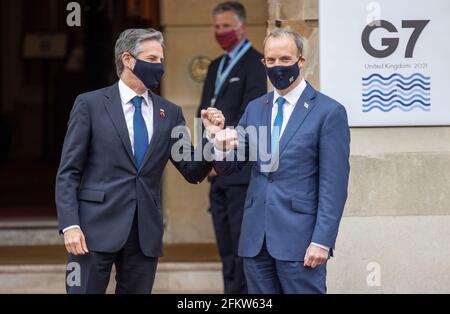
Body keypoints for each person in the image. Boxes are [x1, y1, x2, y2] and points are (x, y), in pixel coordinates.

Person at [56, 28, 224, 294]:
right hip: (93, 231)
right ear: (127, 59)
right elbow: (69, 172)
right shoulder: (90, 104)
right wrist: (70, 225)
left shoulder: (169, 113)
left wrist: (211, 140)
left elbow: (192, 171)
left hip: (144, 233)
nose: (159, 66)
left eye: (161, 60)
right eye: (153, 59)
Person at [210, 28, 350, 294]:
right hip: (255, 240)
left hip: (301, 241)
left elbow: (334, 186)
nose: (277, 67)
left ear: (301, 61)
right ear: (263, 63)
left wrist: (322, 241)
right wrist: (219, 144)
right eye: (271, 61)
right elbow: (231, 166)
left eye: (285, 59)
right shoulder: (255, 108)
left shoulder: (329, 112)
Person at [197, 1, 267, 294]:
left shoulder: (256, 63)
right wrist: (208, 162)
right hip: (216, 174)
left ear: (241, 27)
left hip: (241, 174)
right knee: (225, 248)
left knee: (242, 248)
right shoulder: (215, 66)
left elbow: (248, 117)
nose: (221, 32)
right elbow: (203, 114)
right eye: (217, 27)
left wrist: (225, 154)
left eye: (226, 26)